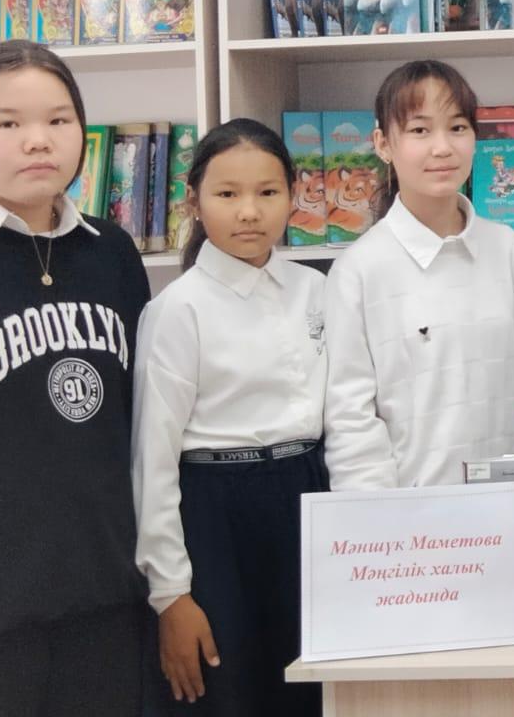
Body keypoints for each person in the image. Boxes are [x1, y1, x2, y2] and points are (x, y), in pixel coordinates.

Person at [131, 119, 328, 714]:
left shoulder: (316, 290)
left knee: (314, 687)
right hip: (216, 513)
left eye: (267, 192)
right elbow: (153, 460)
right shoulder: (177, 310)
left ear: (294, 195)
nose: (249, 212)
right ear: (193, 201)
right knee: (231, 688)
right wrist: (170, 594)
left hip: (308, 497)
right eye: (226, 193)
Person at [0, 42, 152, 717]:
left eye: (58, 119)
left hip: (106, 591)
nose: (38, 140)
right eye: (6, 122)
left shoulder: (112, 252)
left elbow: (139, 416)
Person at [324, 60, 514, 489]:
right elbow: (351, 418)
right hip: (406, 513)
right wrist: (376, 514)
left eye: (457, 128)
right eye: (420, 130)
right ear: (383, 144)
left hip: (502, 498)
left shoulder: (505, 248)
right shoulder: (359, 270)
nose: (442, 148)